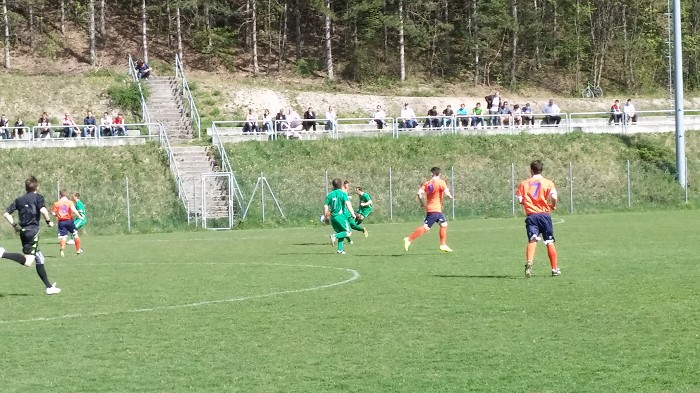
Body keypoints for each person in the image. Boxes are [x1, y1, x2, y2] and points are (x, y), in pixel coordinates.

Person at [1, 176, 60, 295]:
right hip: (32, 231)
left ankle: (49, 287)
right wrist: (49, 222)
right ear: (37, 187)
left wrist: (15, 225)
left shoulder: (19, 199)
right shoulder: (38, 197)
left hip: (23, 231)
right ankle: (2, 253)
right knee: (28, 262)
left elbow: (6, 214)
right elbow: (43, 211)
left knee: (39, 258)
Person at [515, 160, 560, 277]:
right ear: (541, 170)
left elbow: (520, 200)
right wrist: (553, 205)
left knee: (532, 240)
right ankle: (554, 269)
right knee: (549, 242)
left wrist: (528, 203)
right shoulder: (548, 183)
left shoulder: (524, 184)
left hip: (531, 216)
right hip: (544, 215)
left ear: (531, 170)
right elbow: (554, 196)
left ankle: (529, 262)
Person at [403, 167, 453, 253]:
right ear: (439, 174)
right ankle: (409, 239)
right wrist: (450, 196)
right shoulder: (441, 182)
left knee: (444, 224)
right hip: (435, 209)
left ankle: (443, 245)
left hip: (432, 208)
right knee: (426, 227)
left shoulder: (427, 183)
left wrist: (422, 203)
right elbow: (447, 193)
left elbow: (419, 193)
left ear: (432, 173)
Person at [324, 178, 356, 254]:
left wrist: (325, 217)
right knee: (348, 232)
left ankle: (340, 250)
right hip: (340, 216)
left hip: (333, 217)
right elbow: (348, 204)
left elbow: (325, 206)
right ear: (341, 185)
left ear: (333, 185)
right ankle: (334, 236)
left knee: (342, 232)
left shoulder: (329, 195)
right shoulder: (342, 194)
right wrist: (353, 213)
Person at [51, 189, 85, 257]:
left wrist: (57, 215)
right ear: (66, 194)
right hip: (69, 221)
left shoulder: (56, 203)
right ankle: (78, 250)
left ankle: (62, 248)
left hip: (61, 222)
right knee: (75, 233)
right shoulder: (69, 202)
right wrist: (79, 216)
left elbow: (53, 213)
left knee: (63, 237)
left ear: (60, 195)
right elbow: (74, 210)